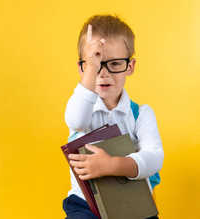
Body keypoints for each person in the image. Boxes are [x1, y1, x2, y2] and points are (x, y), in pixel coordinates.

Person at [63, 14, 164, 219]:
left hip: (131, 202)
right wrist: (90, 70)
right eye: (95, 63)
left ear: (130, 66)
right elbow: (75, 121)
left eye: (115, 64)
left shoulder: (141, 114)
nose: (103, 73)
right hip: (86, 205)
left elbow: (154, 158)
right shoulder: (81, 109)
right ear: (82, 67)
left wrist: (112, 165)